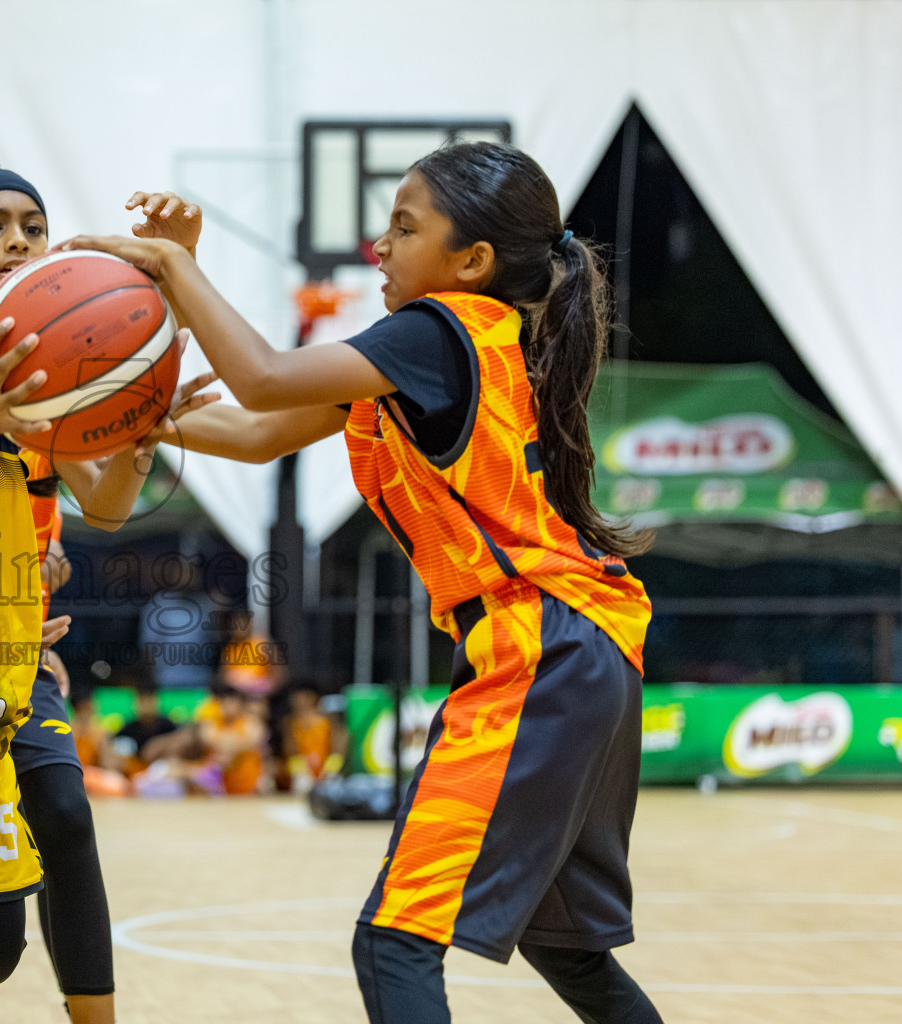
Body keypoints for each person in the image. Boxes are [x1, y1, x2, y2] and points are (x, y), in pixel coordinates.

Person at [66, 144, 661, 1022]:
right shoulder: (442, 353)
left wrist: (172, 265)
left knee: (394, 941)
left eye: (405, 227)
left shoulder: (437, 330)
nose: (378, 246)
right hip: (584, 646)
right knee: (565, 946)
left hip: (539, 647)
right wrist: (133, 398)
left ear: (472, 263)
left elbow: (263, 377)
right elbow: (256, 429)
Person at [0, 167, 213, 1024]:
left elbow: (110, 504)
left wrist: (140, 432)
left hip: (20, 656)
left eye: (34, 226)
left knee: (65, 813)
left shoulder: (56, 377)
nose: (19, 242)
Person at [194, 684, 267, 795]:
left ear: (239, 704)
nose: (227, 705)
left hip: (248, 787)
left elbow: (254, 740)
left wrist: (227, 746)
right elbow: (206, 739)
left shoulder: (250, 723)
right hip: (217, 789)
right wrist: (236, 743)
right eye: (223, 701)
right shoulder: (211, 723)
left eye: (231, 701)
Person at [112, 683, 178, 773]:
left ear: (156, 701)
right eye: (142, 701)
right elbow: (113, 746)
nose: (146, 707)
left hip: (163, 772)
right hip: (136, 774)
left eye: (149, 700)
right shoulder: (129, 728)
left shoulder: (168, 726)